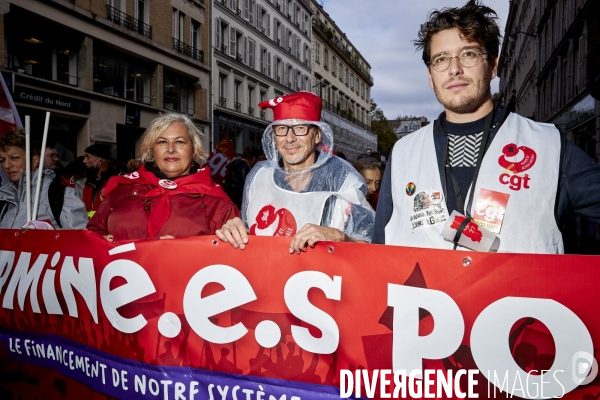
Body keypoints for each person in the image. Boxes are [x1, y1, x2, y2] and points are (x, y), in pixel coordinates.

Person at [373, 0, 600, 253]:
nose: (454, 69)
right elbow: (380, 249)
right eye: (441, 59)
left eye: (468, 54)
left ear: (492, 66)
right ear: (430, 76)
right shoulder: (404, 152)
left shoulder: (548, 147)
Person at [216, 92, 375, 254]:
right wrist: (235, 231)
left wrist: (340, 237)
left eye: (300, 128)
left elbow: (373, 249)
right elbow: (250, 236)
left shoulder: (343, 179)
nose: (289, 138)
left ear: (317, 135)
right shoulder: (258, 176)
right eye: (282, 128)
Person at [87, 113, 238, 242]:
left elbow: (229, 261)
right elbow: (92, 231)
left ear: (193, 150)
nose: (170, 149)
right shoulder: (122, 189)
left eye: (179, 142)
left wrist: (191, 253)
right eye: (162, 142)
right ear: (152, 151)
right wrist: (99, 241)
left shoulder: (217, 201)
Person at [0, 131, 88, 229]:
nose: (7, 165)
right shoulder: (2, 196)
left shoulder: (61, 195)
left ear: (34, 161)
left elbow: (80, 237)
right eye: (2, 160)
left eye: (14, 158)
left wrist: (44, 235)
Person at [82, 143, 119, 218]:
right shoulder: (88, 181)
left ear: (100, 161)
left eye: (88, 157)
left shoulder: (118, 180)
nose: (84, 161)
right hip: (90, 227)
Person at [222, 145, 260, 210]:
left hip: (230, 198)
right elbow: (245, 186)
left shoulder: (234, 164)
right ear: (254, 158)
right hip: (238, 201)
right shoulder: (244, 167)